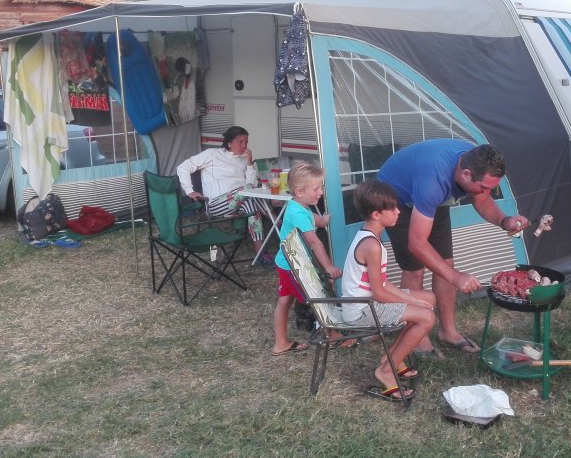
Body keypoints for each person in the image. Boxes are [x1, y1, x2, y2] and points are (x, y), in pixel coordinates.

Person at [377, 139, 530, 355]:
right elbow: (417, 243)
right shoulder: (433, 182)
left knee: (445, 263)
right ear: (465, 174)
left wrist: (505, 221)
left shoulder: (476, 161)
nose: (486, 191)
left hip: (429, 195)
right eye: (484, 187)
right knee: (415, 269)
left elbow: (482, 200)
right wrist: (457, 277)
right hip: (396, 196)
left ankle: (447, 331)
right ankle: (416, 336)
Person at [343, 181, 436, 402]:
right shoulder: (372, 246)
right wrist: (412, 303)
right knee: (427, 317)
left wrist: (412, 299)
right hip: (362, 311)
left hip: (369, 301)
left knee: (428, 298)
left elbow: (383, 283)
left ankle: (391, 357)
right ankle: (385, 371)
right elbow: (379, 294)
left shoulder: (369, 236)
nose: (398, 211)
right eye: (392, 208)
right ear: (376, 215)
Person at [271, 161, 342, 356]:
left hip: (285, 263)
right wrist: (328, 266)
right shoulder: (298, 213)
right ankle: (332, 335)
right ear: (299, 191)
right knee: (318, 296)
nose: (320, 193)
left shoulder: (297, 206)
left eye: (321, 188)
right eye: (316, 189)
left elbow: (313, 219)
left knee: (284, 301)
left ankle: (280, 343)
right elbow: (314, 242)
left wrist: (324, 220)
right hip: (293, 266)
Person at [176, 126, 273, 259]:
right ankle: (275, 219)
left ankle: (260, 253)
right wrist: (189, 191)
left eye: (246, 142)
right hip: (215, 205)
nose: (244, 146)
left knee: (251, 205)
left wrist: (250, 164)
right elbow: (183, 167)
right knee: (248, 190)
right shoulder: (212, 154)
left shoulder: (243, 160)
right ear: (229, 143)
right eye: (240, 142)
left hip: (239, 202)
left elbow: (252, 186)